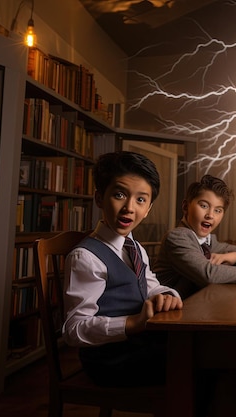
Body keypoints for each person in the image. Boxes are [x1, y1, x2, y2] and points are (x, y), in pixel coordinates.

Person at [62, 151, 183, 388]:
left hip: (139, 346)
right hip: (110, 360)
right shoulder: (85, 257)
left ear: (148, 208)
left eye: (140, 200)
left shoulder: (135, 247)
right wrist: (132, 323)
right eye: (119, 195)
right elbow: (74, 329)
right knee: (193, 364)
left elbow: (149, 285)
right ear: (99, 198)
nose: (129, 207)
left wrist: (167, 295)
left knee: (199, 354)